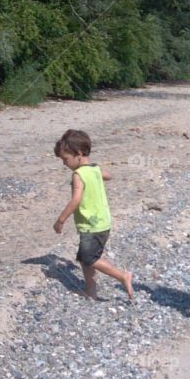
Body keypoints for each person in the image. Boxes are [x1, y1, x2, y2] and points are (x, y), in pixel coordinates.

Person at [53, 128, 133, 301]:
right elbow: (108, 175)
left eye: (65, 159)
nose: (64, 163)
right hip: (102, 223)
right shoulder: (94, 170)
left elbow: (76, 199)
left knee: (89, 258)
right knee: (85, 259)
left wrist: (60, 220)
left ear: (78, 154)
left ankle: (122, 276)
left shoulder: (78, 174)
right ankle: (91, 290)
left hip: (92, 225)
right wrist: (97, 174)